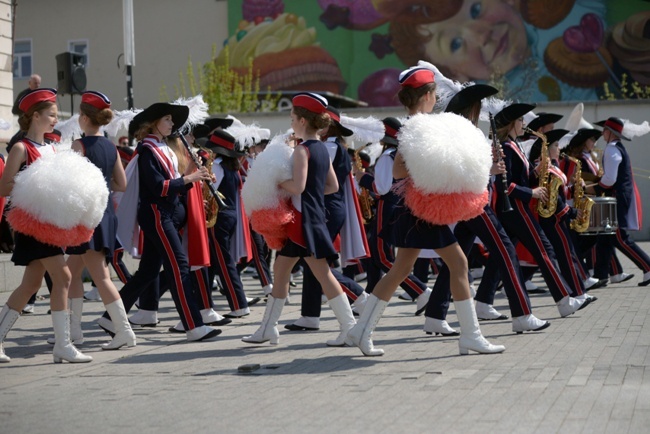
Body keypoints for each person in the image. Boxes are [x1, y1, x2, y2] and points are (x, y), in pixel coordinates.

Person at [347, 67, 505, 356]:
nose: (436, 99)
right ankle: (470, 335)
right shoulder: (417, 128)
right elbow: (398, 170)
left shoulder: (416, 126)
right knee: (456, 264)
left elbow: (405, 169)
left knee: (400, 271)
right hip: (421, 210)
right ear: (428, 95)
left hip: (417, 210)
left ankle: (361, 330)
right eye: (435, 94)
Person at [422, 81, 549, 335]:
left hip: (468, 201)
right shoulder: (462, 131)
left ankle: (435, 315)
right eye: (477, 107)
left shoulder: (457, 130)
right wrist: (489, 168)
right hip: (473, 202)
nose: (480, 113)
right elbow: (459, 169)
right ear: (471, 109)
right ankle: (522, 314)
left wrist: (487, 160)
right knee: (506, 251)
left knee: (455, 262)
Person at [99, 102, 221, 342]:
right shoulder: (147, 150)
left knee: (148, 272)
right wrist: (190, 178)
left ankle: (110, 318)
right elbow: (158, 187)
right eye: (167, 119)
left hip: (166, 214)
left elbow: (175, 180)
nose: (172, 123)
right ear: (154, 123)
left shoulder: (162, 147)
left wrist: (193, 174)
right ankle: (193, 325)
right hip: (157, 214)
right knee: (179, 266)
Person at [242, 92, 357, 347]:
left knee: (322, 275)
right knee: (282, 270)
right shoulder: (322, 149)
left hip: (302, 222)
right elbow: (332, 186)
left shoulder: (303, 150)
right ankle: (268, 329)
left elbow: (298, 187)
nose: (291, 122)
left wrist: (276, 182)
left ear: (304, 121)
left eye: (293, 117)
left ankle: (350, 328)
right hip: (311, 219)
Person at [0, 88, 92, 363]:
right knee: (63, 277)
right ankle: (62, 345)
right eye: (51, 114)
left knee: (29, 285)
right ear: (35, 116)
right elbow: (4, 186)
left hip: (51, 225)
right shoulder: (20, 148)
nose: (55, 119)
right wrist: (34, 184)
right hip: (31, 225)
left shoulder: (51, 148)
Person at [492, 102, 590, 317]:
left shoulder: (514, 145)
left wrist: (535, 175)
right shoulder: (507, 148)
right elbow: (504, 185)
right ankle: (564, 300)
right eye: (520, 120)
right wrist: (532, 193)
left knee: (501, 257)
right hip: (516, 208)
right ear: (511, 124)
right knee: (544, 249)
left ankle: (483, 301)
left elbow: (518, 179)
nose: (523, 123)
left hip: (517, 207)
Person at [58, 91, 136, 350]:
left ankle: (124, 331)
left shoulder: (78, 147)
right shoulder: (111, 147)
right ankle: (75, 330)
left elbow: (70, 186)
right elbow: (121, 184)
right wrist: (102, 184)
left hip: (86, 218)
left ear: (82, 118)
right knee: (71, 272)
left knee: (101, 277)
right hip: (104, 215)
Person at [355, 117, 433, 311]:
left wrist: (361, 177)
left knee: (382, 257)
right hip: (398, 206)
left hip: (387, 207)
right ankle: (370, 297)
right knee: (376, 255)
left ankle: (421, 291)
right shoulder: (399, 154)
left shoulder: (387, 156)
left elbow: (381, 188)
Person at [588, 117, 650, 287]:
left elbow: (610, 179)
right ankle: (601, 275)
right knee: (605, 237)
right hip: (618, 196)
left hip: (615, 197)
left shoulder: (611, 149)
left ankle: (648, 266)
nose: (602, 133)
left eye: (604, 130)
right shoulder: (617, 148)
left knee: (619, 237)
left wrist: (594, 187)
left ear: (610, 133)